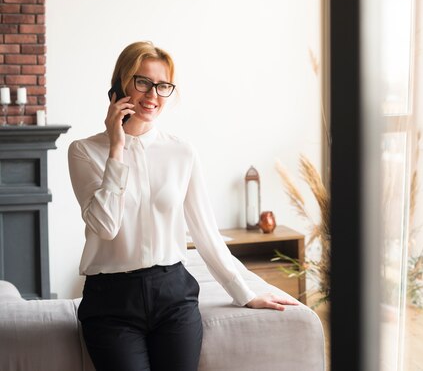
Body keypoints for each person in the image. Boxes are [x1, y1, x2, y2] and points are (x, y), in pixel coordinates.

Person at [68, 40, 298, 371]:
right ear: (120, 84)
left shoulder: (182, 152)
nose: (152, 96)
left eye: (163, 86)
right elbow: (105, 227)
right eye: (142, 82)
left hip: (173, 296)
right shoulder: (84, 151)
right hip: (111, 302)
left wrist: (245, 292)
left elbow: (205, 231)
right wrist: (117, 148)